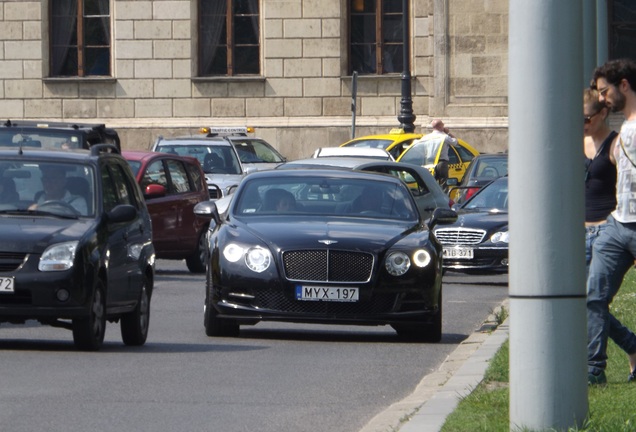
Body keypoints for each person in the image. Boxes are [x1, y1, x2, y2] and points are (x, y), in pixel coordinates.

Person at [587, 58, 636, 384]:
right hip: (618, 226)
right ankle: (593, 372)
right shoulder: (621, 135)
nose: (602, 98)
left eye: (605, 91)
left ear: (623, 85)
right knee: (593, 296)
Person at [583, 87, 618, 275]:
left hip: (604, 229)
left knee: (596, 293)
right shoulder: (576, 142)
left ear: (603, 113)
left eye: (587, 119)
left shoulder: (615, 144)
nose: (583, 124)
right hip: (577, 230)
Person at [427, 119, 457, 191]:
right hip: (441, 162)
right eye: (443, 124)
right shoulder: (444, 137)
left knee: (430, 183)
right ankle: (443, 200)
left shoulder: (427, 137)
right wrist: (448, 133)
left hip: (429, 163)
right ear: (440, 126)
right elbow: (455, 142)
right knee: (443, 184)